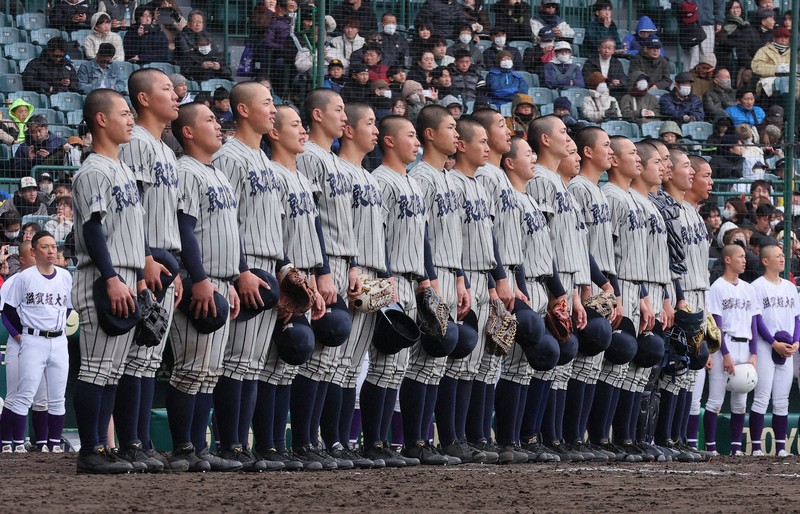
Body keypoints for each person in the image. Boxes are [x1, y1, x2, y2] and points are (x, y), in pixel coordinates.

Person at [210, 81, 291, 471]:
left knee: (252, 363)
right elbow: (227, 222)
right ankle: (230, 444)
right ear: (243, 110)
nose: (273, 109)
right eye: (267, 103)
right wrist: (240, 270)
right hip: (242, 267)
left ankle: (244, 445)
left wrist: (285, 273)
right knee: (234, 360)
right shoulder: (230, 156)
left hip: (267, 263)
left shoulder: (263, 160)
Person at [110, 69, 184, 472]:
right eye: (166, 89)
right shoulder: (136, 142)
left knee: (148, 362)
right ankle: (131, 443)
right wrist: (143, 261)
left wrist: (178, 274)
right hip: (147, 260)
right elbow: (131, 208)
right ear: (142, 99)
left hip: (165, 264)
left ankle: (140, 442)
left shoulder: (165, 148)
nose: (176, 95)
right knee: (135, 360)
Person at [70, 89, 145, 474]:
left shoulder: (122, 169)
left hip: (126, 276)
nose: (131, 118)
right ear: (101, 119)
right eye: (124, 112)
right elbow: (92, 229)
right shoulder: (94, 169)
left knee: (113, 371)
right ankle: (90, 451)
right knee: (96, 368)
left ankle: (102, 447)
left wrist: (138, 276)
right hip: (102, 277)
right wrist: (114, 277)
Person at [167, 102, 243, 472]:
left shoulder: (218, 174)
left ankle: (198, 447)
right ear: (188, 132)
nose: (218, 125)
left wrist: (228, 279)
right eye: (209, 120)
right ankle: (183, 446)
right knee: (190, 368)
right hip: (198, 281)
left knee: (209, 372)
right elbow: (185, 229)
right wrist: (199, 279)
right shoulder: (185, 171)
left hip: (219, 281)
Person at [292, 89, 361, 469]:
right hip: (318, 263)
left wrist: (349, 265)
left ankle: (318, 439)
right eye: (339, 110)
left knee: (331, 362)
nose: (344, 117)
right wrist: (321, 269)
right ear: (317, 115)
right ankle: (304, 440)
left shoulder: (333, 161)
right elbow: (310, 219)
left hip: (338, 263)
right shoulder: (309, 158)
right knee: (315, 356)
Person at [255, 104, 325, 470]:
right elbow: (272, 233)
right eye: (295, 125)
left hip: (305, 278)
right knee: (266, 363)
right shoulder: (272, 175)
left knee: (288, 365)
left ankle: (283, 445)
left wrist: (313, 279)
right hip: (281, 278)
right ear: (275, 133)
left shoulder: (300, 176)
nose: (303, 131)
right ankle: (263, 445)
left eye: (303, 123)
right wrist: (287, 276)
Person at [359, 115, 427, 466]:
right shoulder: (380, 181)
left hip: (410, 279)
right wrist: (386, 278)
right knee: (383, 362)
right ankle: (371, 441)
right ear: (389, 141)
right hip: (387, 279)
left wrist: (425, 282)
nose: (417, 142)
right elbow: (376, 234)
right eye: (410, 136)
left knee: (397, 367)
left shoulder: (410, 182)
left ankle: (382, 442)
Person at [403, 105, 468, 465]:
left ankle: (427, 440)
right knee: (423, 357)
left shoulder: (446, 178)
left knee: (436, 361)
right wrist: (429, 282)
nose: (456, 134)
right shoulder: (422, 177)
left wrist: (460, 278)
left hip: (448, 272)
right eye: (450, 127)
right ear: (430, 134)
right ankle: (415, 439)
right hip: (427, 274)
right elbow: (423, 236)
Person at [524, 118, 591, 460]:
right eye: (563, 133)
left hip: (563, 282)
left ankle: (549, 437)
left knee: (561, 361)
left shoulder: (559, 184)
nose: (569, 139)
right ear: (546, 140)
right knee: (541, 358)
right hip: (546, 281)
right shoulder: (539, 180)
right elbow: (539, 241)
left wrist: (575, 292)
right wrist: (556, 289)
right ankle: (529, 436)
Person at [587, 135, 652, 460]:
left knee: (627, 366)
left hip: (631, 285)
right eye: (631, 154)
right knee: (608, 361)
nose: (637, 160)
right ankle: (596, 437)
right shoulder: (611, 196)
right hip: (612, 285)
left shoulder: (630, 199)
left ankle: (622, 438)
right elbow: (609, 253)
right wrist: (618, 291)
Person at [563, 127, 618, 461]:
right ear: (586, 152)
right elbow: (578, 247)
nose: (610, 151)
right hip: (582, 283)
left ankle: (580, 437)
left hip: (598, 282)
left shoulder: (596, 190)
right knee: (577, 356)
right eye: (606, 146)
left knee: (593, 362)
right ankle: (564, 436)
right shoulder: (579, 189)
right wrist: (586, 284)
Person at [0, 231, 72, 454]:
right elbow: (8, 312)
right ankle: (14, 444)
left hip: (57, 339)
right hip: (29, 339)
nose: (51, 251)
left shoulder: (65, 276)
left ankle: (51, 444)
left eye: (53, 246)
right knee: (22, 394)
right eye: (45, 247)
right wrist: (23, 334)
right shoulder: (22, 278)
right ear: (32, 251)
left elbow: (68, 307)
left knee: (55, 397)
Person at [626, 141, 671, 461]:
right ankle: (623, 438)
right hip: (634, 290)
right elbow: (627, 257)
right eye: (658, 161)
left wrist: (666, 297)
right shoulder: (626, 200)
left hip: (654, 290)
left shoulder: (653, 204)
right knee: (629, 365)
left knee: (649, 369)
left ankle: (641, 437)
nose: (663, 167)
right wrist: (644, 295)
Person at [702, 243, 757, 456]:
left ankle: (736, 448)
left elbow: (753, 321)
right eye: (740, 256)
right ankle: (711, 448)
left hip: (745, 344)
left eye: (744, 257)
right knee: (716, 400)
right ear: (727, 259)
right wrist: (724, 353)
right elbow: (715, 323)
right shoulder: (717, 287)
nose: (744, 260)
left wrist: (754, 353)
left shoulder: (748, 288)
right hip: (724, 344)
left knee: (740, 400)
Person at [748, 245, 799, 457]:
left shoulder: (789, 287)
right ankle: (757, 448)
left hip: (788, 347)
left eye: (783, 255)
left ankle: (780, 448)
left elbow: (797, 318)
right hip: (765, 344)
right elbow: (756, 319)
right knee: (761, 397)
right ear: (765, 261)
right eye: (777, 256)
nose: (782, 258)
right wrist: (773, 343)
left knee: (782, 399)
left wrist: (796, 342)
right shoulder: (757, 287)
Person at [0, 241, 38, 453]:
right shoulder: (12, 281)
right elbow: (5, 315)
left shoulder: (52, 278)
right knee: (14, 394)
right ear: (23, 258)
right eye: (33, 253)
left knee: (37, 396)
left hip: (41, 343)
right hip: (18, 342)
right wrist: (19, 337)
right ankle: (7, 443)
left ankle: (36, 443)